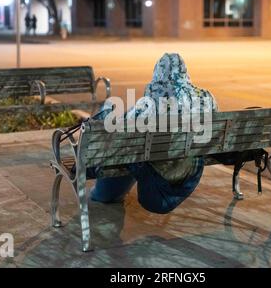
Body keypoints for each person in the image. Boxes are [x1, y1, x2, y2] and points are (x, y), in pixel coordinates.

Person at [86, 53, 219, 214]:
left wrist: (106, 112)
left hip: (157, 175)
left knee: (122, 137)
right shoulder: (207, 98)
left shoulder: (150, 104)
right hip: (189, 169)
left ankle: (103, 193)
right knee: (137, 145)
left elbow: (117, 131)